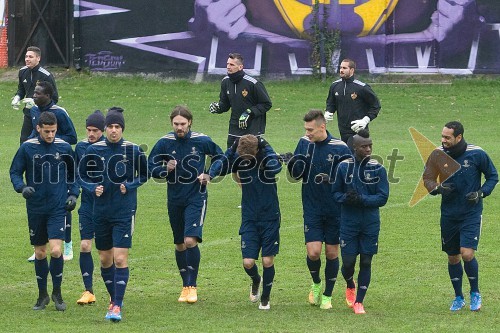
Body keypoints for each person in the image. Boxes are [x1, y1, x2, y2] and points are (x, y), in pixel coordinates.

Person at [148, 105, 224, 304]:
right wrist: (165, 169)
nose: (179, 127)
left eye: (182, 124)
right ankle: (185, 286)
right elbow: (149, 166)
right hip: (174, 199)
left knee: (190, 240)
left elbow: (221, 157)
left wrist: (209, 174)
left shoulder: (202, 140)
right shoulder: (165, 143)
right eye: (176, 124)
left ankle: (193, 286)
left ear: (190, 122)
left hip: (196, 197)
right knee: (180, 244)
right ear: (171, 123)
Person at [79, 107, 148, 322]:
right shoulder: (93, 150)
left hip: (123, 212)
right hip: (99, 212)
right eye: (110, 126)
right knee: (104, 258)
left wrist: (131, 184)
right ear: (105, 128)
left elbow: (145, 174)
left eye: (118, 127)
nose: (114, 130)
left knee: (119, 258)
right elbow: (80, 176)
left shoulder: (133, 150)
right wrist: (92, 188)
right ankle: (113, 297)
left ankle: (117, 305)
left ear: (122, 129)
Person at [423, 121, 498, 312]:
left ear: (459, 137)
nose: (443, 140)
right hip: (449, 214)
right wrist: (438, 189)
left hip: (471, 213)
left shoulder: (477, 153)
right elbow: (427, 178)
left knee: (467, 253)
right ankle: (458, 297)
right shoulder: (437, 154)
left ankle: (475, 292)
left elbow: (493, 176)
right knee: (453, 257)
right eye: (442, 136)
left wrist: (481, 193)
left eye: (447, 137)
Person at [10, 111, 78, 311]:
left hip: (58, 207)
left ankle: (57, 293)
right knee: (40, 252)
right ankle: (42, 296)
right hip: (36, 207)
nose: (50, 135)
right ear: (38, 128)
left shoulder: (64, 147)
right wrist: (22, 187)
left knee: (56, 250)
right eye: (47, 131)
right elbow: (14, 171)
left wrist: (73, 194)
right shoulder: (27, 148)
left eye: (53, 131)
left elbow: (74, 174)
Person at [208, 134, 282, 310]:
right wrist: (231, 150)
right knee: (248, 262)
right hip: (249, 217)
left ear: (257, 150)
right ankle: (256, 280)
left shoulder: (266, 158)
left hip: (270, 216)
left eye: (249, 157)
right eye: (243, 157)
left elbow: (276, 167)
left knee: (267, 261)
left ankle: (265, 298)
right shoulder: (239, 158)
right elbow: (218, 168)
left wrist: (267, 145)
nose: (246, 160)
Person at [287, 110, 351, 310]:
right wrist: (292, 162)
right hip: (312, 207)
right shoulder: (304, 143)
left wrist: (332, 180)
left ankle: (327, 295)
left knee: (332, 253)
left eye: (310, 130)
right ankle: (316, 283)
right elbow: (296, 175)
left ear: (322, 127)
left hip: (335, 209)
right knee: (314, 253)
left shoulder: (340, 148)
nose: (307, 133)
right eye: (305, 129)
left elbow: (349, 179)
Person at [332, 129, 389, 314]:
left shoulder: (378, 168)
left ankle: (359, 301)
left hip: (370, 223)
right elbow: (335, 193)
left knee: (366, 261)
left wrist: (362, 199)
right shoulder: (343, 168)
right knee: (348, 263)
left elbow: (383, 197)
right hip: (348, 222)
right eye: (364, 146)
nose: (368, 149)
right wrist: (346, 199)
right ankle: (350, 283)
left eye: (370, 145)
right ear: (354, 147)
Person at [26, 80, 77, 262]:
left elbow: (72, 137)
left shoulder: (59, 113)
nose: (34, 95)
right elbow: (33, 133)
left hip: (58, 162)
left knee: (63, 203)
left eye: (38, 93)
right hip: (39, 162)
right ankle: (40, 248)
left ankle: (68, 245)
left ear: (48, 96)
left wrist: (51, 138)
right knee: (40, 202)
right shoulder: (33, 110)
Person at [74, 110, 106, 305]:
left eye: (95, 130)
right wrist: (89, 188)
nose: (91, 134)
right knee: (85, 245)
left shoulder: (112, 147)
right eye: (88, 130)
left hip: (107, 206)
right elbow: (78, 175)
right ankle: (88, 291)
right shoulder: (81, 147)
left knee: (106, 253)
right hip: (87, 204)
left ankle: (113, 291)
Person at [209, 52, 272, 148]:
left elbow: (266, 103)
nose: (228, 67)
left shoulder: (253, 83)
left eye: (232, 64)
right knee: (231, 158)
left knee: (250, 159)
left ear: (240, 67)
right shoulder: (225, 82)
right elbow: (225, 104)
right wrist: (218, 107)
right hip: (234, 128)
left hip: (252, 128)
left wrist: (249, 112)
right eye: (227, 64)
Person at [325, 58, 381, 143]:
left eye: (344, 68)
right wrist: (328, 112)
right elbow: (331, 103)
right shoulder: (335, 86)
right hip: (342, 130)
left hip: (359, 130)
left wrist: (365, 120)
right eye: (340, 68)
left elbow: (376, 105)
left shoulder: (362, 87)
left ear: (352, 70)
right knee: (348, 155)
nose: (341, 70)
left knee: (352, 154)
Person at [11, 46, 59, 145]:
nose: (27, 59)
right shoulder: (22, 72)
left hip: (42, 114)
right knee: (24, 141)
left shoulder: (46, 75)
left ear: (38, 58)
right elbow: (21, 89)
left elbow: (54, 98)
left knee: (41, 141)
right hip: (28, 113)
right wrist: (17, 97)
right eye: (26, 56)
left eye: (31, 57)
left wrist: (36, 102)